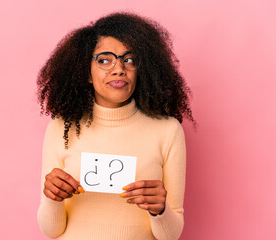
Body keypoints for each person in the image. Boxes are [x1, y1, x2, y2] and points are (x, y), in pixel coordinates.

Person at [36, 12, 194, 240]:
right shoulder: (62, 126)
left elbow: (170, 235)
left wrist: (160, 210)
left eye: (129, 60)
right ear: (87, 72)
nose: (119, 68)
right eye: (104, 60)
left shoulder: (167, 130)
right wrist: (52, 198)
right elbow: (51, 231)